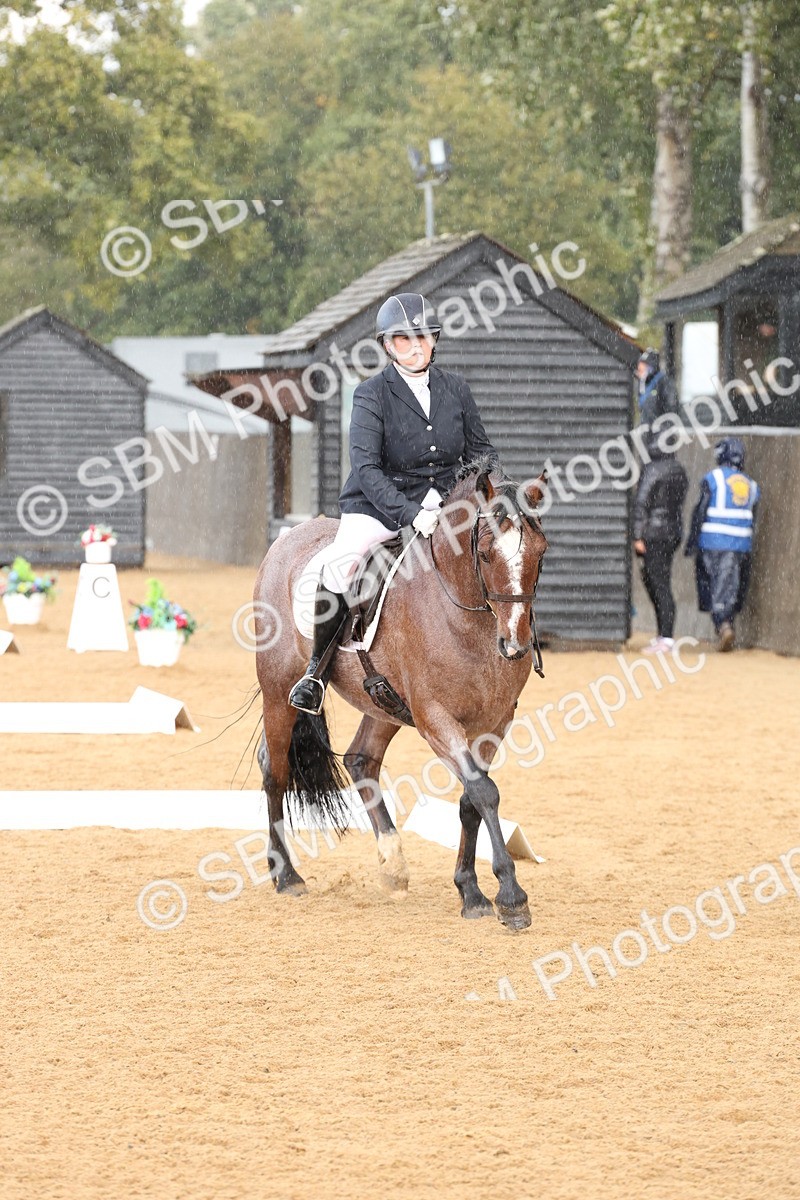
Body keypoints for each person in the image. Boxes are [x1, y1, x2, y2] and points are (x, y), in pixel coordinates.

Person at [288, 292, 499, 713]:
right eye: (404, 339)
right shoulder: (371, 394)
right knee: (344, 561)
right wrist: (410, 513)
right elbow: (366, 469)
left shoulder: (455, 389)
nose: (416, 345)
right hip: (380, 507)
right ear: (387, 345)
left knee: (500, 551)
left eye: (423, 336)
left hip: (445, 507)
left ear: (435, 340)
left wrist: (470, 490)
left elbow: (483, 453)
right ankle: (315, 672)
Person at [684, 436, 760, 652]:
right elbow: (753, 517)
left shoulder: (713, 478)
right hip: (741, 545)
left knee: (712, 584)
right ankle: (727, 624)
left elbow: (700, 511)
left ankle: (723, 625)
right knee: (732, 586)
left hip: (713, 541)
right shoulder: (751, 485)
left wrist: (692, 540)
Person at [632, 439, 688, 654]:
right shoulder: (679, 470)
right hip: (673, 533)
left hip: (653, 535)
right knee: (660, 581)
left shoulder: (652, 470)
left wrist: (638, 536)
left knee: (658, 583)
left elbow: (641, 503)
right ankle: (664, 636)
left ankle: (665, 638)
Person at [636, 348, 677, 431]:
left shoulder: (663, 382)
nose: (639, 371)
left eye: (642, 368)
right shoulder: (643, 384)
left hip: (661, 433)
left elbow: (672, 407)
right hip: (647, 433)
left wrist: (665, 429)